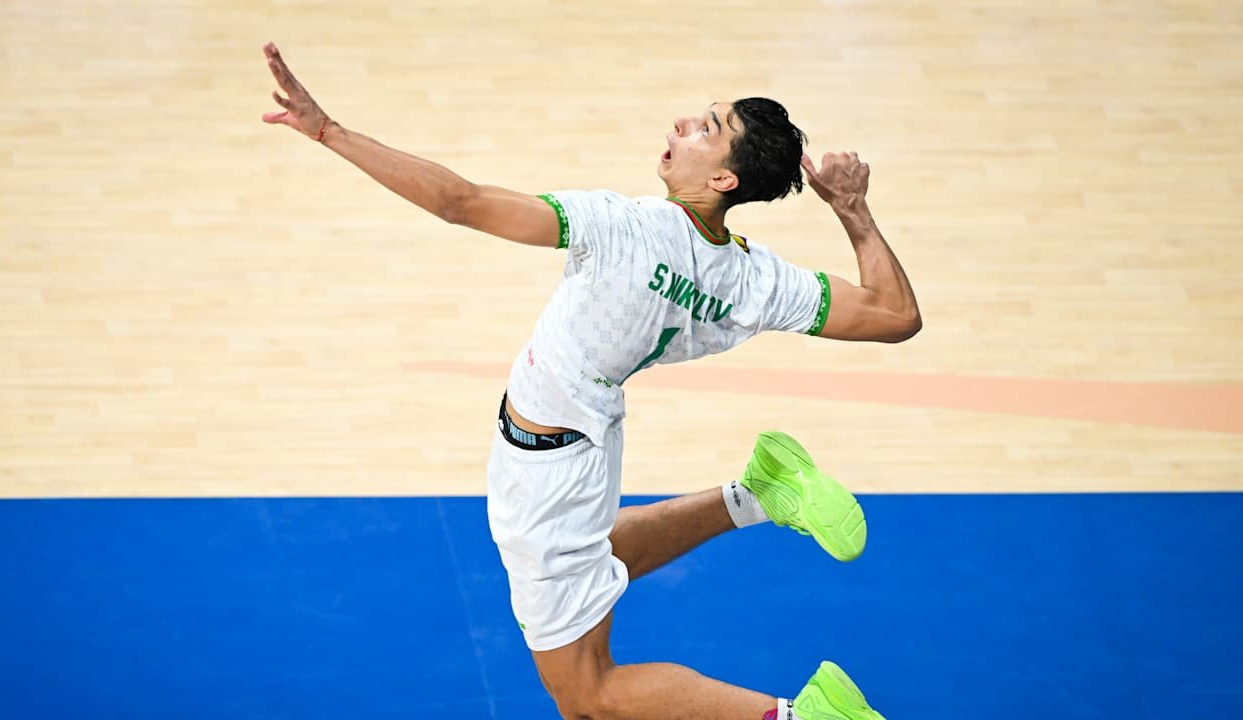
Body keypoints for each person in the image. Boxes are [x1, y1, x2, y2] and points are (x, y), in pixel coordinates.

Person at [261, 40, 919, 720]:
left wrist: (329, 132)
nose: (681, 127)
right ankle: (759, 492)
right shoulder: (752, 277)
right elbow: (895, 314)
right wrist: (851, 207)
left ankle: (797, 716)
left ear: (725, 179)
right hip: (587, 442)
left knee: (587, 695)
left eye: (705, 130)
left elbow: (461, 202)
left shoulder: (619, 228)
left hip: (549, 467)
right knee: (592, 560)